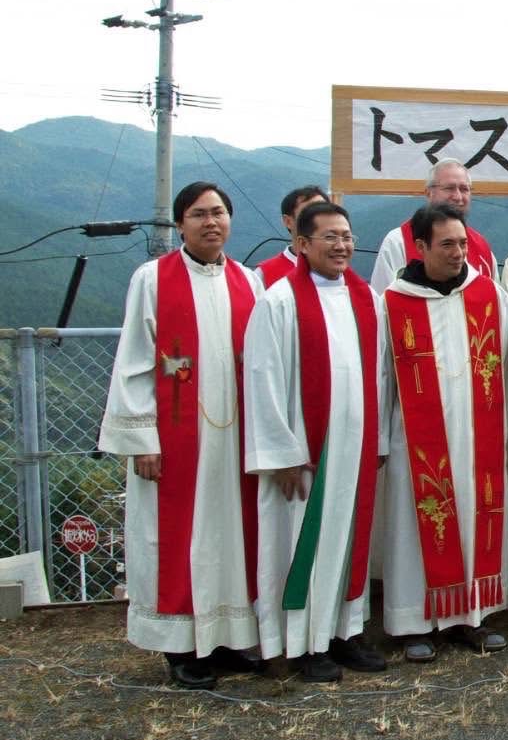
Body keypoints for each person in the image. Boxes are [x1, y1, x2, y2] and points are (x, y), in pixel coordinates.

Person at [99, 182, 265, 689]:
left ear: (230, 220)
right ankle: (180, 644)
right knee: (178, 538)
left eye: (218, 212)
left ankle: (232, 636)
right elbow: (134, 360)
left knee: (234, 537)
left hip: (236, 437)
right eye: (199, 214)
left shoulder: (248, 282)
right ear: (180, 225)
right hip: (176, 441)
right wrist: (142, 438)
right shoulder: (153, 278)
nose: (211, 222)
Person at [243, 201, 390, 681]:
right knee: (302, 544)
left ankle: (343, 632)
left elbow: (381, 375)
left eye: (346, 235)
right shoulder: (279, 300)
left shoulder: (366, 299)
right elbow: (262, 380)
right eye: (329, 236)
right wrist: (281, 453)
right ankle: (302, 643)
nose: (342, 245)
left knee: (348, 540)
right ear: (301, 244)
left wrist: (380, 438)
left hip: (355, 445)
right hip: (304, 453)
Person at [380, 205, 508, 660]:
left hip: (480, 436)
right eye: (447, 245)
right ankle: (413, 621)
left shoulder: (489, 296)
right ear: (419, 247)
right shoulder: (394, 303)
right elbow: (380, 377)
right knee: (416, 526)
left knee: (478, 515)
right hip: (415, 439)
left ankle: (470, 616)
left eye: (463, 244)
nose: (459, 253)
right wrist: (379, 437)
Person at [371, 159, 497, 288]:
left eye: (464, 189)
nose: (458, 197)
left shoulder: (482, 247)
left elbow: (495, 301)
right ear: (428, 193)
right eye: (449, 188)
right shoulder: (398, 241)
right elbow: (383, 302)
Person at [256, 185, 329, 287]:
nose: (318, 219)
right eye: (309, 213)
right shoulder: (264, 274)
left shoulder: (337, 269)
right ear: (288, 221)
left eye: (324, 212)